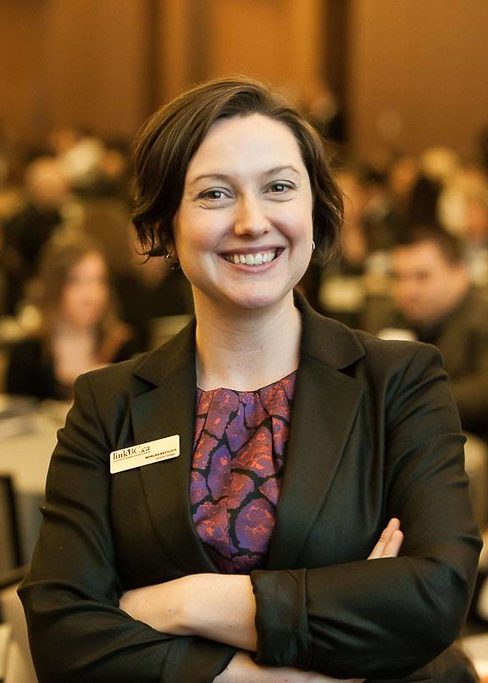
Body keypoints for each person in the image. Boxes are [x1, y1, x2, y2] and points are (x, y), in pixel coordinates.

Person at [19, 78, 481, 682]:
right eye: (214, 194)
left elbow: (433, 597)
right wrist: (268, 670)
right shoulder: (109, 405)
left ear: (314, 209)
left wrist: (181, 605)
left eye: (280, 187)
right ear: (165, 223)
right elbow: (61, 635)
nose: (251, 221)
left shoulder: (400, 381)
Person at [366, 225, 488, 442]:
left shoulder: (481, 315)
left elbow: (481, 393)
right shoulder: (389, 315)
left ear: (460, 274)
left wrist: (412, 400)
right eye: (398, 277)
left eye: (422, 277)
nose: (407, 291)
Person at [6, 231, 136, 401]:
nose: (92, 295)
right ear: (55, 286)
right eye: (77, 282)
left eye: (100, 281)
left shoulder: (122, 348)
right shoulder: (28, 355)